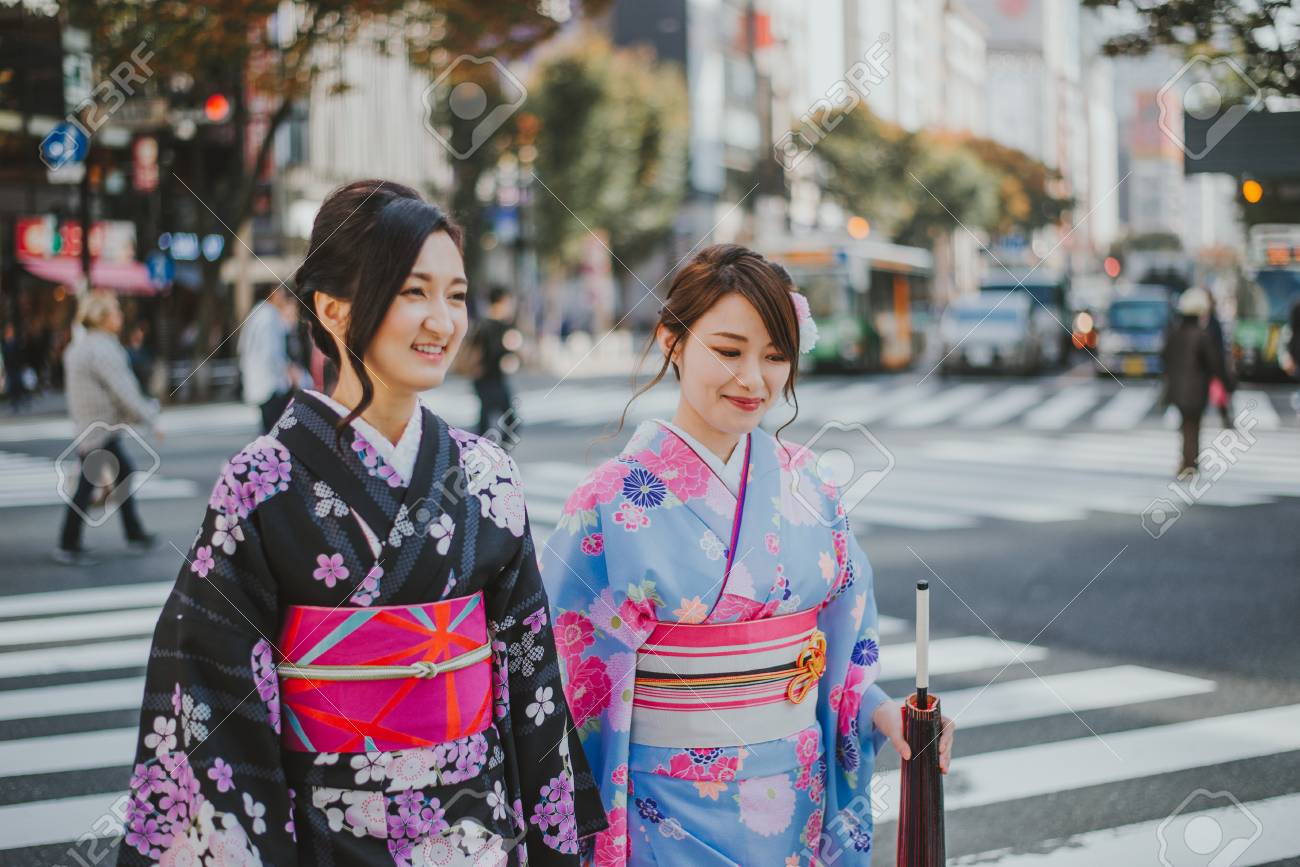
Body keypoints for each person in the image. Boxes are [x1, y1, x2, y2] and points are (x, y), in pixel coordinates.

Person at [117, 180, 604, 866]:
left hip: (477, 828)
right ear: (333, 307)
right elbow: (211, 687)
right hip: (329, 832)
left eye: (455, 294)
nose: (442, 319)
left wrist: (551, 843)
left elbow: (530, 681)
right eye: (414, 291)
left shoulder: (487, 474)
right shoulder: (261, 481)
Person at [540, 245, 953, 865]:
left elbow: (839, 654)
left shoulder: (811, 487)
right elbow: (572, 686)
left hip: (795, 798)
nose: (753, 379)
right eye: (729, 351)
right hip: (662, 807)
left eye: (775, 356)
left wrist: (883, 711)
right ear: (672, 342)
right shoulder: (608, 502)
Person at [57, 291, 160, 565]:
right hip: (99, 428)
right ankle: (69, 543)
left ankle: (133, 534)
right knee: (89, 485)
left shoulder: (79, 347)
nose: (121, 316)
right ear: (102, 319)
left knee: (122, 473)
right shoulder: (103, 348)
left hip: (92, 425)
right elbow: (124, 390)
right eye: (115, 312)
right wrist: (150, 418)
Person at [1161, 287, 1226, 477]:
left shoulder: (1174, 333)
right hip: (1197, 387)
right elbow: (1215, 362)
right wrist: (1227, 382)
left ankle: (1187, 461)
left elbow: (1164, 356)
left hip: (1177, 386)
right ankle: (1190, 462)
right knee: (1193, 424)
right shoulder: (1202, 336)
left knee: (1185, 424)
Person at [239, 284, 303, 433]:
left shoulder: (256, 313)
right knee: (276, 430)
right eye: (280, 292)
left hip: (257, 381)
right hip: (270, 383)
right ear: (272, 294)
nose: (282, 296)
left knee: (267, 428)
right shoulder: (270, 315)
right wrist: (287, 372)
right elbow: (272, 352)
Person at [470, 285, 521, 445]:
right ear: (501, 302)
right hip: (492, 379)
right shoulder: (501, 327)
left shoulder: (481, 324)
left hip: (482, 379)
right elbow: (502, 353)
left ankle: (487, 455)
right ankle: (497, 456)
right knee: (509, 422)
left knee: (486, 421)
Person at [1204, 292, 1235, 428]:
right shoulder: (1198, 321)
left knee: (1220, 394)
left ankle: (1226, 418)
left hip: (1214, 363)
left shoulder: (1213, 322)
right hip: (1200, 365)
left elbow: (1220, 346)